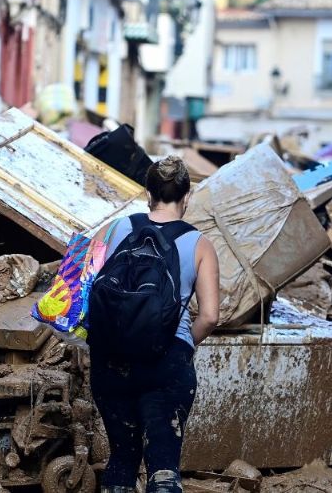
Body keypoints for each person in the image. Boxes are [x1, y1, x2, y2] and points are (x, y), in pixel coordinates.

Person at [89, 156, 220, 493]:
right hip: (167, 364)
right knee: (163, 468)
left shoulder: (114, 228)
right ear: (186, 197)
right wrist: (181, 345)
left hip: (110, 361)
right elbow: (209, 316)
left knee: (121, 459)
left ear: (148, 193)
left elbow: (82, 284)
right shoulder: (200, 244)